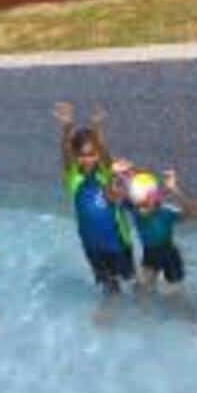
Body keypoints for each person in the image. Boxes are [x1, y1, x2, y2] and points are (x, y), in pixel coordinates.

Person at [52, 102, 134, 296]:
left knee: (130, 279)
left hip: (118, 242)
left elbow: (106, 154)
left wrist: (97, 128)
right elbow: (65, 154)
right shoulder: (74, 179)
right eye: (82, 155)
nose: (87, 159)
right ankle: (111, 306)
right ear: (75, 155)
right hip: (92, 244)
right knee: (107, 284)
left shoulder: (105, 174)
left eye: (91, 154)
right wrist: (66, 128)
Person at [113, 164, 197, 294]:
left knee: (175, 297)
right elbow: (115, 195)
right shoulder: (134, 209)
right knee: (139, 290)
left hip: (170, 257)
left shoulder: (165, 213)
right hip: (150, 254)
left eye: (145, 204)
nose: (141, 210)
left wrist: (174, 190)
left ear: (155, 200)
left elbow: (195, 213)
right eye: (139, 205)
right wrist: (121, 176)